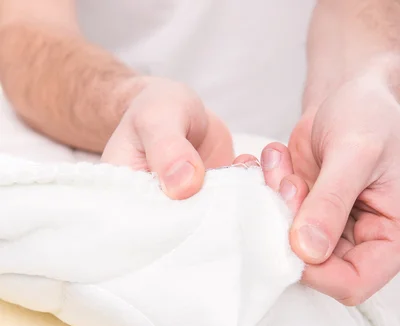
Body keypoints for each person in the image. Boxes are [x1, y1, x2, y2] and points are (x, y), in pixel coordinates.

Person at [0, 0, 399, 309]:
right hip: (108, 143)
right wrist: (127, 103)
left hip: (313, 168)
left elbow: (360, 15)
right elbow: (25, 30)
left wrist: (371, 85)